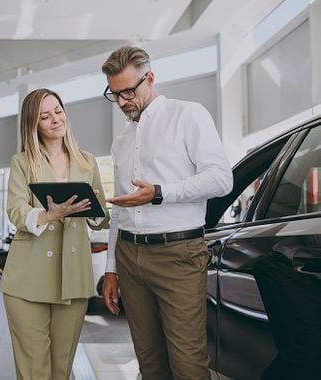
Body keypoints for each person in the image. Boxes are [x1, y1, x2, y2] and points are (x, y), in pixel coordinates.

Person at [100, 46, 233, 380]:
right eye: (115, 94)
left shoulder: (188, 115)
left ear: (151, 78)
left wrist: (159, 193)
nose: (122, 101)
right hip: (129, 256)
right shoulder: (121, 141)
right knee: (149, 364)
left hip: (178, 254)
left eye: (129, 91)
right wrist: (112, 269)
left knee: (187, 364)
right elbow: (120, 209)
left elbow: (221, 179)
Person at [0, 88, 110, 380]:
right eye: (44, 116)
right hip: (27, 279)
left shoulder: (87, 161)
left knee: (61, 368)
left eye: (58, 111)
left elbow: (101, 220)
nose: (54, 119)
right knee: (35, 370)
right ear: (33, 124)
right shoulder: (22, 163)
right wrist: (48, 215)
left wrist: (95, 207)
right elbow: (15, 210)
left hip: (73, 277)